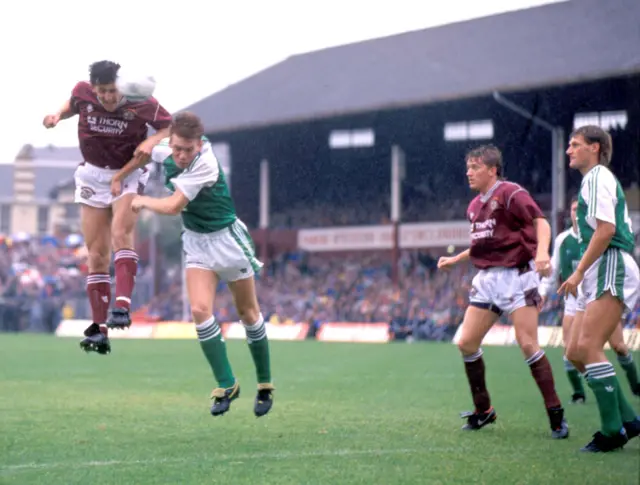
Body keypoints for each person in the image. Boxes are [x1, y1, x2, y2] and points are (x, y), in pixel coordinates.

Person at [125, 111, 274, 417]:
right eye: (177, 148)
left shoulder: (204, 163)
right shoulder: (170, 144)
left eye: (187, 150)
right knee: (199, 310)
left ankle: (264, 384)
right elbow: (151, 145)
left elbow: (172, 205)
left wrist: (142, 201)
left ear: (199, 145)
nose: (180, 155)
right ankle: (227, 384)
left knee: (248, 313)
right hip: (196, 241)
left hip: (227, 240)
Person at [438, 144, 568, 439]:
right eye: (468, 167)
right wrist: (456, 259)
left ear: (492, 170)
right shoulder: (473, 207)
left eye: (475, 167)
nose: (468, 172)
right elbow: (484, 244)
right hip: (488, 278)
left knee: (527, 343)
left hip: (519, 276)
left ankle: (555, 412)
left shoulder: (511, 192)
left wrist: (543, 253)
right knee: (467, 343)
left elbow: (541, 221)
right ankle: (484, 410)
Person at [43, 60, 172, 355]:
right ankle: (100, 330)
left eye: (112, 91)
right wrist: (57, 115)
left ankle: (122, 307)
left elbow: (169, 126)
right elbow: (72, 104)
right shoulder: (83, 92)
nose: (108, 98)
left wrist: (152, 140)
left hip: (128, 172)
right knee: (97, 255)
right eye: (102, 92)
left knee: (120, 234)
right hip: (92, 174)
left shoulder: (142, 101)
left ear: (121, 86)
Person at [560, 125, 640, 452]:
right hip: (600, 269)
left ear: (594, 148)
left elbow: (606, 229)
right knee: (576, 352)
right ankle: (628, 419)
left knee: (590, 345)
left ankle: (612, 432)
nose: (569, 150)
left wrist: (578, 272)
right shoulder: (594, 180)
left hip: (610, 265)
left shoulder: (595, 177)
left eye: (575, 144)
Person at [540, 196, 640, 404]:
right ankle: (581, 393)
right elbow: (553, 270)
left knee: (619, 346)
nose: (576, 213)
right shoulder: (562, 240)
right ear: (569, 214)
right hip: (573, 301)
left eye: (580, 209)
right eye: (573, 209)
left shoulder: (597, 237)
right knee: (571, 352)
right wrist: (542, 292)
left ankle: (634, 386)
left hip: (599, 297)